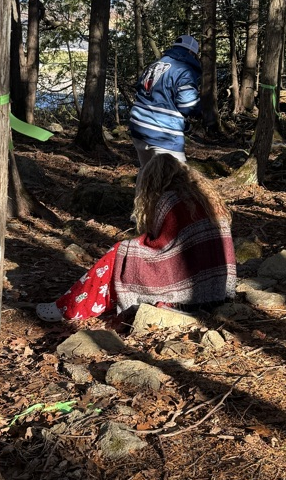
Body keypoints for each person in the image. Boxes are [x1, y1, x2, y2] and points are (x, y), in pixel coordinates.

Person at [36, 154, 236, 322]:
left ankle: (69, 308)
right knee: (126, 254)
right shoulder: (206, 198)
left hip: (187, 289)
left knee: (120, 254)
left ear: (154, 179)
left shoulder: (169, 199)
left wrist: (130, 246)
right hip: (217, 288)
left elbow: (160, 244)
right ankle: (77, 304)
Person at [129, 35, 202, 166]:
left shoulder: (155, 65)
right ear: (192, 53)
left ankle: (144, 181)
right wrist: (199, 111)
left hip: (138, 126)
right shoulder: (184, 70)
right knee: (176, 174)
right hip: (163, 133)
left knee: (147, 171)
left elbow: (142, 91)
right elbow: (188, 105)